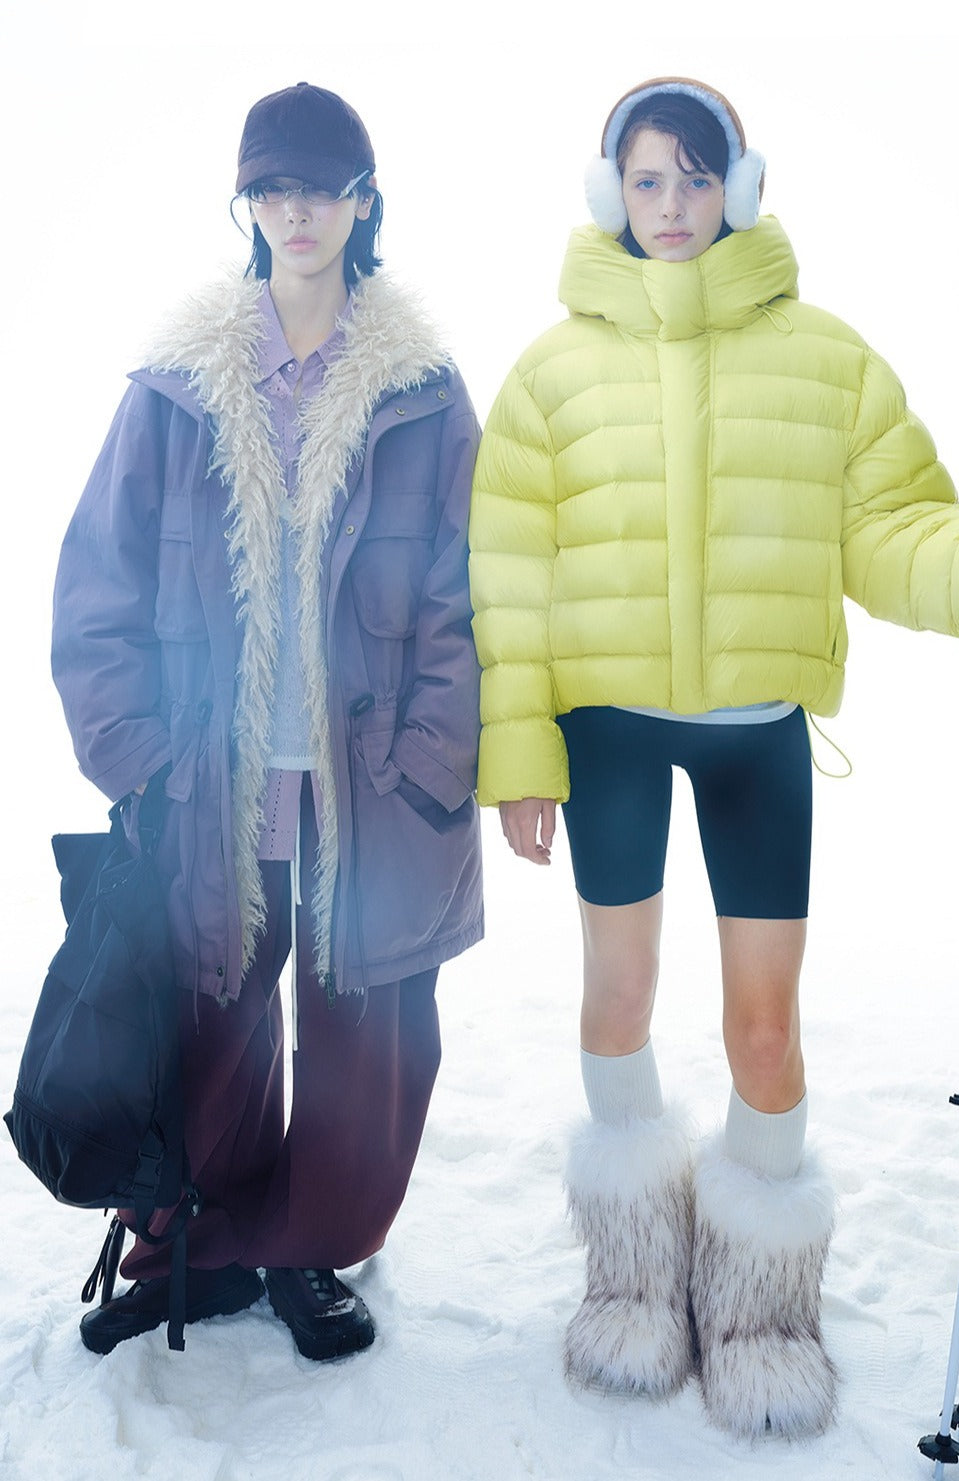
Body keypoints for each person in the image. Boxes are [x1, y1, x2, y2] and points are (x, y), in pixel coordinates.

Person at [468, 75, 959, 1439]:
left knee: (765, 1028)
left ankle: (759, 1306)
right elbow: (508, 576)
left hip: (758, 741)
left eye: (696, 177)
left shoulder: (825, 357)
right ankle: (635, 1282)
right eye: (646, 180)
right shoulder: (550, 374)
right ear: (610, 195)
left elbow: (892, 520)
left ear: (739, 188)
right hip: (607, 731)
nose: (672, 204)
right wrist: (518, 751)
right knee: (619, 993)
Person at [52, 82, 483, 1362]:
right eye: (272, 189)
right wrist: (140, 755)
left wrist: (428, 761)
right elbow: (97, 585)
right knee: (209, 1020)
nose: (297, 212)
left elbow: (471, 595)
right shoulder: (179, 386)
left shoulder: (423, 390)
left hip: (371, 780)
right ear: (247, 206)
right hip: (213, 777)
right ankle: (197, 1244)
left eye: (320, 188)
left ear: (364, 201)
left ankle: (306, 1248)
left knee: (367, 1042)